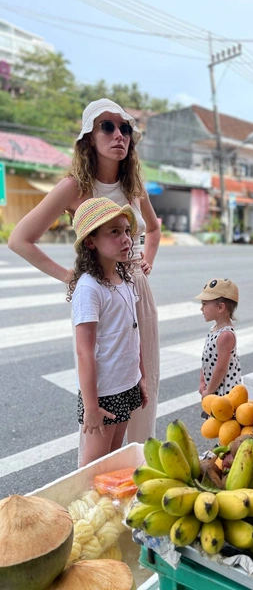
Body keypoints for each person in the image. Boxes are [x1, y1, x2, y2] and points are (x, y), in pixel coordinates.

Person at [8, 98, 160, 455]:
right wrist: (68, 277)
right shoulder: (74, 186)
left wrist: (146, 259)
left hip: (134, 289)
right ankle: (94, 472)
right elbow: (19, 239)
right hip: (98, 289)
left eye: (124, 128)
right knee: (102, 381)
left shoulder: (134, 185)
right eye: (106, 126)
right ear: (89, 137)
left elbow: (152, 230)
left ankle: (133, 471)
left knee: (141, 378)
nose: (118, 134)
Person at [68, 197, 148, 466]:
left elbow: (133, 333)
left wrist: (141, 377)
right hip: (103, 393)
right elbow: (84, 351)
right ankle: (83, 509)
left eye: (127, 231)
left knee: (115, 459)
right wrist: (91, 407)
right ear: (91, 242)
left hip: (126, 384)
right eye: (114, 232)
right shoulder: (89, 288)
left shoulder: (124, 279)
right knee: (94, 467)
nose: (126, 238)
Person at [196, 278, 242, 398]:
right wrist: (202, 381)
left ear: (221, 307)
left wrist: (209, 391)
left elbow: (221, 369)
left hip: (224, 394)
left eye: (204, 304)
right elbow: (207, 359)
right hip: (213, 389)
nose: (201, 309)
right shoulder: (214, 329)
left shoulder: (225, 335)